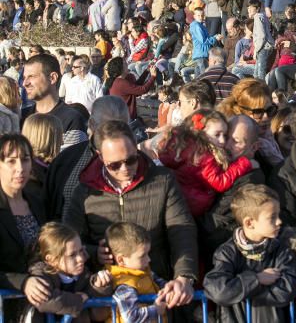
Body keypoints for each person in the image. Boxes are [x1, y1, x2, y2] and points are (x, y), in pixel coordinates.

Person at [65, 120, 198, 308]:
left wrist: (184, 277)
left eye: (131, 160)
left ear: (137, 149)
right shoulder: (85, 192)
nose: (125, 169)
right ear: (100, 157)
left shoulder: (162, 180)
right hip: (106, 299)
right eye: (114, 165)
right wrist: (95, 253)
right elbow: (68, 240)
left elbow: (182, 231)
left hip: (156, 293)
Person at [203, 183, 296, 323]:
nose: (279, 221)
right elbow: (218, 290)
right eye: (272, 217)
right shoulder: (226, 252)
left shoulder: (281, 250)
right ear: (249, 223)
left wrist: (239, 292)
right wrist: (256, 279)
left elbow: (289, 288)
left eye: (278, 215)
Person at [44, 95, 130, 221]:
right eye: (108, 129)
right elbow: (49, 207)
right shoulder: (66, 160)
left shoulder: (143, 165)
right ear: (91, 124)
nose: (115, 136)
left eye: (122, 128)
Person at [158, 109, 253, 217]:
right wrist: (244, 163)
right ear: (201, 133)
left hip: (179, 199)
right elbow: (219, 183)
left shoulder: (182, 146)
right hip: (194, 205)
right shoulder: (204, 156)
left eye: (225, 135)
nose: (222, 140)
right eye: (217, 135)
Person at [198, 115, 265, 258]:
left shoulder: (249, 180)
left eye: (236, 141)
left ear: (254, 147)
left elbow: (217, 222)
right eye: (227, 136)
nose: (226, 144)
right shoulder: (219, 163)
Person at [23, 221, 112, 322]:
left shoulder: (84, 275)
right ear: (51, 260)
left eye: (81, 251)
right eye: (72, 255)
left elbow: (98, 316)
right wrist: (78, 300)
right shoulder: (41, 274)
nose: (80, 258)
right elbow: (44, 300)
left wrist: (100, 289)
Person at [0, 134, 49, 309]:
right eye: (11, 161)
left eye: (25, 159)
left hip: (42, 305)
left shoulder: (37, 202)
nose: (20, 168)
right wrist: (23, 283)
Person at [105, 221, 167, 323]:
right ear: (121, 260)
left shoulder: (143, 271)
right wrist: (156, 310)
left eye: (148, 253)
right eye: (143, 256)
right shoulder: (124, 284)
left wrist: (169, 289)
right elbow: (131, 317)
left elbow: (159, 282)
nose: (149, 259)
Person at [23, 53, 88, 148]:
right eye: (24, 77)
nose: (25, 83)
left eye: (31, 76)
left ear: (52, 78)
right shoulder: (22, 117)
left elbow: (72, 160)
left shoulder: (71, 119)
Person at [219, 79, 283, 170]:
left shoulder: (269, 136)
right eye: (258, 112)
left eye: (270, 110)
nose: (265, 117)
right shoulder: (238, 148)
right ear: (241, 112)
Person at [22, 113, 63, 198]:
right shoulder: (31, 175)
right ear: (47, 140)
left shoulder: (43, 168)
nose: (62, 142)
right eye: (59, 137)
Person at [190, 7, 222, 77]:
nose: (200, 17)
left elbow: (206, 39)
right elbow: (203, 41)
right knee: (204, 77)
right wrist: (215, 38)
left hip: (202, 54)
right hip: (201, 55)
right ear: (194, 16)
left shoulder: (201, 25)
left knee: (198, 79)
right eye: (198, 15)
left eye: (202, 15)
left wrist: (214, 37)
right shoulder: (196, 26)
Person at [248, 0, 274, 81]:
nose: (249, 9)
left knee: (260, 74)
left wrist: (256, 50)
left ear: (257, 8)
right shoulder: (262, 16)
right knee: (256, 74)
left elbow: (261, 36)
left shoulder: (258, 17)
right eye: (249, 7)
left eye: (251, 7)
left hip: (264, 47)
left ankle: (262, 92)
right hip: (264, 46)